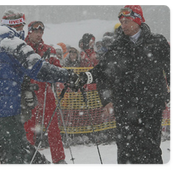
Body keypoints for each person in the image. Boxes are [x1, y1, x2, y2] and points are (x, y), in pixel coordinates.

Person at [0, 9, 76, 165]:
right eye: (22, 28)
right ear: (18, 27)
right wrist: (68, 76)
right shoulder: (13, 44)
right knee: (16, 158)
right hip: (7, 114)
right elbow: (38, 68)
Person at [71, 3, 171, 165]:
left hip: (151, 106)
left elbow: (170, 66)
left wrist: (170, 91)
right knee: (126, 151)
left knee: (150, 150)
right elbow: (102, 71)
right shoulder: (117, 46)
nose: (123, 25)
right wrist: (85, 77)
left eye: (127, 21)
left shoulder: (157, 42)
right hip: (125, 106)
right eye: (121, 21)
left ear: (138, 21)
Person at [24, 21, 67, 165]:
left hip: (46, 92)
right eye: (35, 31)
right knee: (28, 128)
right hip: (27, 93)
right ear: (29, 32)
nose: (38, 34)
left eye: (41, 32)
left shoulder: (48, 50)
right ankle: (27, 157)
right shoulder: (22, 48)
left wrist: (61, 83)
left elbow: (58, 69)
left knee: (53, 127)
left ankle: (59, 158)